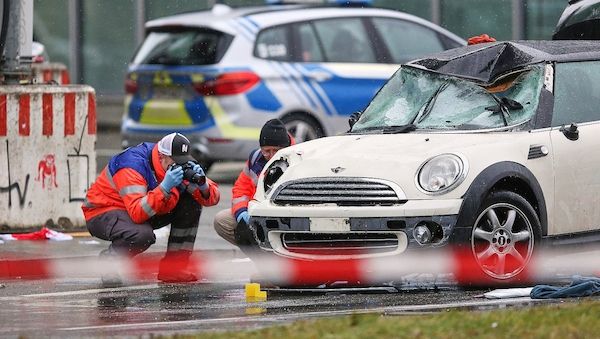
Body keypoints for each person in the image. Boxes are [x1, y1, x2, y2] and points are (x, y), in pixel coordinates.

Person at [82, 132, 220, 283]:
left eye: (183, 161)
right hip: (103, 211)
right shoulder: (132, 164)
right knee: (141, 235)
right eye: (175, 161)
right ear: (162, 156)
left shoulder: (175, 162)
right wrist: (164, 188)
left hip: (142, 208)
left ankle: (174, 268)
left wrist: (204, 186)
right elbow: (137, 213)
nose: (179, 166)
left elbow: (211, 200)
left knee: (191, 201)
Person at [213, 119, 294, 255]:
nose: (271, 156)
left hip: (287, 216)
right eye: (267, 151)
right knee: (221, 220)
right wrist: (241, 213)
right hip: (259, 212)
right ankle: (265, 265)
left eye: (276, 150)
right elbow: (241, 189)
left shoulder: (298, 156)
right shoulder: (255, 159)